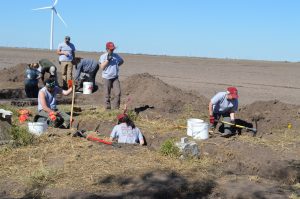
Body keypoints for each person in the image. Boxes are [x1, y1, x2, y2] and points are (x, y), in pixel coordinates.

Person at [99, 42, 124, 109]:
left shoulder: (116, 56)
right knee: (107, 94)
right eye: (110, 49)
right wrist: (107, 60)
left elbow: (122, 61)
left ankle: (116, 108)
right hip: (106, 77)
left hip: (115, 77)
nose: (112, 50)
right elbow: (102, 67)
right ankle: (107, 108)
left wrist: (116, 65)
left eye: (113, 49)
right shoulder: (103, 56)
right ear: (107, 49)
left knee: (118, 93)